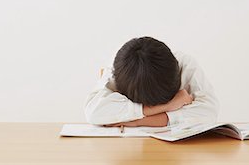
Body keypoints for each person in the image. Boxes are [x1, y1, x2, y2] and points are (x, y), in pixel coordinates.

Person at [84, 36, 219, 127]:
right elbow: (93, 113)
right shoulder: (118, 72)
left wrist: (136, 121)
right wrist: (168, 106)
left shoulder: (185, 65)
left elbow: (209, 113)